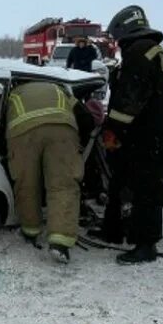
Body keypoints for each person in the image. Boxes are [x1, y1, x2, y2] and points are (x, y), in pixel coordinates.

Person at [94, 5, 163, 265]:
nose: (118, 45)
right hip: (145, 136)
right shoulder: (149, 49)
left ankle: (146, 245)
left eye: (117, 40)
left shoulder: (140, 52)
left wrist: (112, 131)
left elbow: (128, 102)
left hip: (149, 139)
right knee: (121, 182)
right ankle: (114, 230)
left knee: (147, 192)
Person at [5, 80, 95, 264]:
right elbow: (86, 118)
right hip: (62, 131)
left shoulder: (12, 94)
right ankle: (60, 242)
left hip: (23, 132)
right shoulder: (59, 89)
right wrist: (79, 142)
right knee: (63, 186)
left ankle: (30, 230)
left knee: (27, 183)